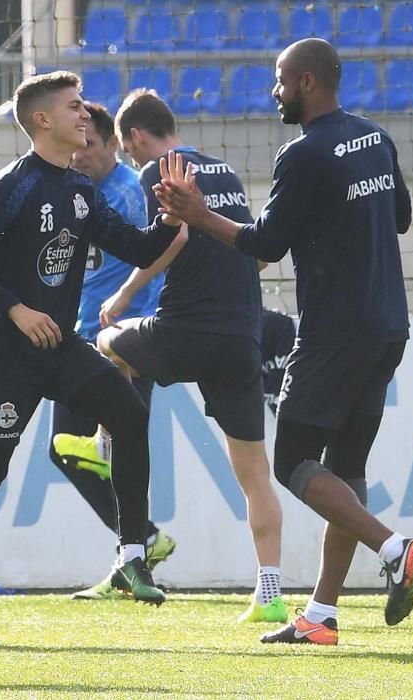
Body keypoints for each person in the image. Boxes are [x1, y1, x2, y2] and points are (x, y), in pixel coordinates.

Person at [153, 38, 413, 646]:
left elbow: (265, 244)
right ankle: (322, 615)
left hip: (335, 332)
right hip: (389, 325)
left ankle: (394, 548)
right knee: (346, 468)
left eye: (280, 80)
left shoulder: (302, 154)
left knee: (292, 464)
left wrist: (199, 215)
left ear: (307, 82)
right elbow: (401, 217)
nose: (273, 91)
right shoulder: (375, 137)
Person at [0, 71, 182, 646]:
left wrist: (172, 214)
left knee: (129, 412)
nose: (85, 116)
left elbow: (140, 248)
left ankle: (131, 554)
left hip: (58, 348)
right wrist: (17, 310)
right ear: (43, 120)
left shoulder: (80, 190)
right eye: (74, 107)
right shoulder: (11, 186)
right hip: (5, 357)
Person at [54, 88, 288, 624]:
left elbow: (175, 237)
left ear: (136, 137)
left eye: (130, 150)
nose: (133, 160)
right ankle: (270, 592)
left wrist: (125, 294)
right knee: (255, 474)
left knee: (107, 342)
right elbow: (248, 248)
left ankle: (101, 444)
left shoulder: (158, 168)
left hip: (186, 329)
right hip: (241, 336)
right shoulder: (225, 172)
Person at [47, 101, 177, 600]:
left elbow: (161, 251)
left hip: (120, 341)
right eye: (77, 144)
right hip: (76, 338)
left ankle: (137, 548)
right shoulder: (75, 195)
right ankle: (138, 545)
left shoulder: (126, 194)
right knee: (68, 451)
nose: (80, 154)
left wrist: (124, 315)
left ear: (110, 145)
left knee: (103, 447)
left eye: (90, 146)